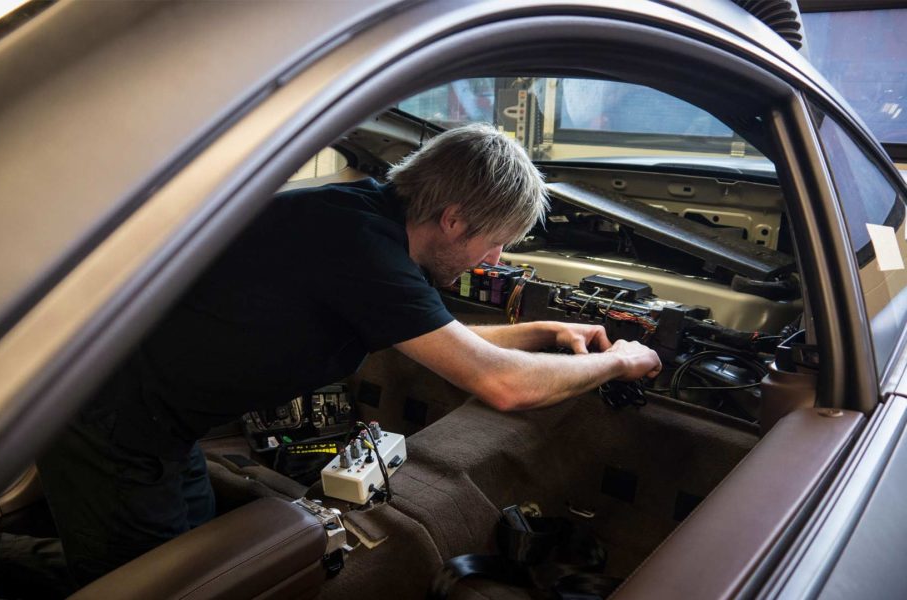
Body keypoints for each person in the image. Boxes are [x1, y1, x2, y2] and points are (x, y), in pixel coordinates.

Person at [35, 122, 662, 587]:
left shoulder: (368, 225)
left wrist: (550, 331)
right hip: (112, 430)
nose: (494, 261)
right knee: (154, 585)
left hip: (165, 431)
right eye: (495, 243)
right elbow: (501, 384)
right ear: (452, 220)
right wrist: (618, 361)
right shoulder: (358, 247)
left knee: (204, 559)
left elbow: (445, 342)